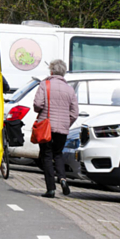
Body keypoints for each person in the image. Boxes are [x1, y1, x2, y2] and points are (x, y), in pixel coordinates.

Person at [33, 59, 79, 198]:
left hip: (46, 127)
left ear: (51, 71)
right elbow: (75, 113)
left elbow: (37, 104)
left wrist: (40, 111)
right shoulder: (70, 89)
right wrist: (66, 123)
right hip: (62, 129)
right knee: (58, 154)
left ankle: (51, 189)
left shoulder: (45, 84)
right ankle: (63, 179)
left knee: (46, 156)